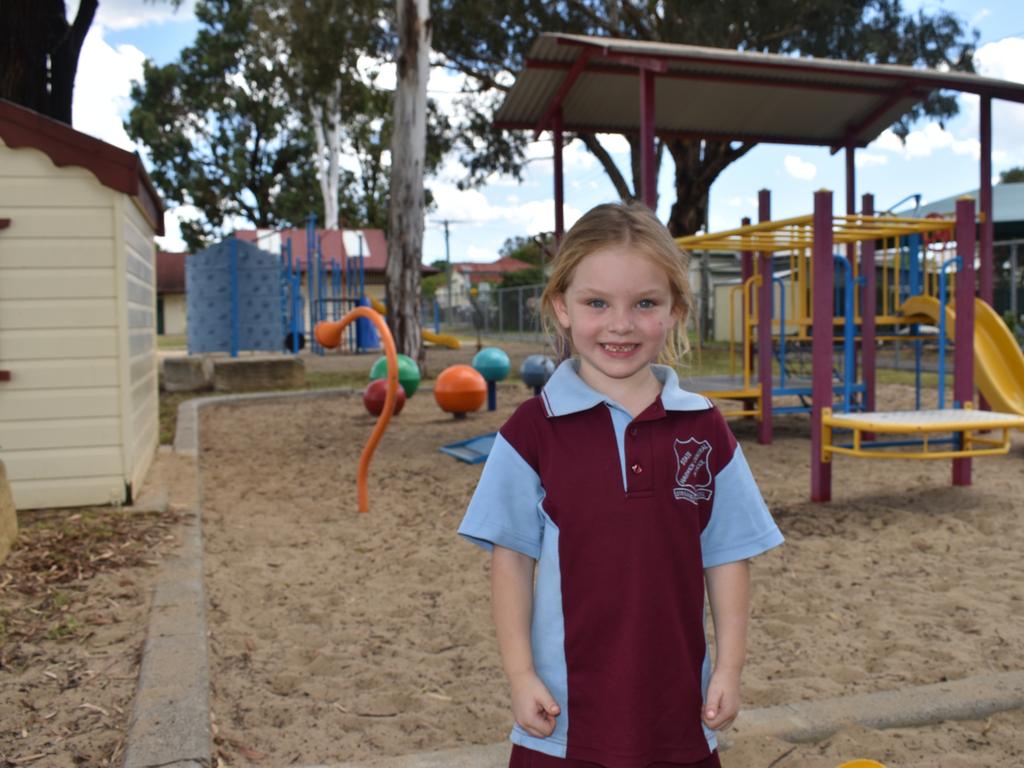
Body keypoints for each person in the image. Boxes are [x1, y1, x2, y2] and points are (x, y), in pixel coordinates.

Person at [458, 201, 783, 768]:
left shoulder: (703, 428)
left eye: (645, 303)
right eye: (597, 303)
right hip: (563, 720)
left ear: (676, 310)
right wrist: (520, 673)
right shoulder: (532, 432)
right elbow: (510, 558)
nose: (620, 324)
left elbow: (728, 554)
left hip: (677, 714)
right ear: (562, 306)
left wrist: (729, 668)